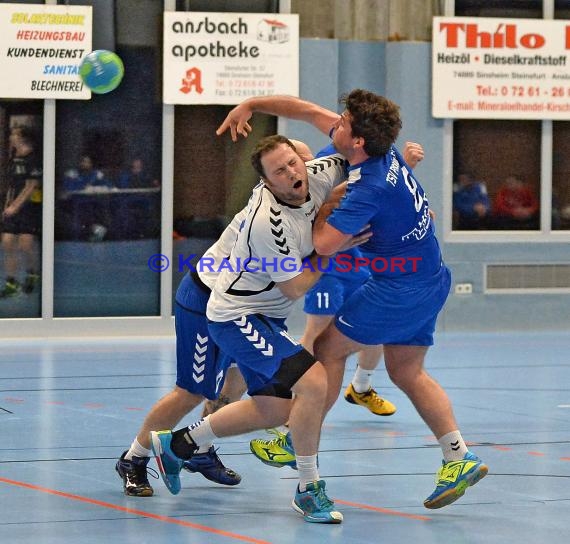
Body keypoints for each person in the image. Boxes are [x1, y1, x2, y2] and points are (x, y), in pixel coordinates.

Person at [216, 89, 488, 510]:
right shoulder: (381, 150)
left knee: (325, 347)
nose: (335, 124)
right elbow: (305, 110)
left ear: (357, 140)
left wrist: (325, 206)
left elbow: (324, 245)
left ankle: (293, 439)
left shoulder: (368, 186)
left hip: (397, 289)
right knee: (407, 371)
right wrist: (251, 104)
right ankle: (459, 456)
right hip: (431, 279)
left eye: (342, 123)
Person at [150, 135, 366, 524]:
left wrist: (407, 184)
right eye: (279, 171)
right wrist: (332, 247)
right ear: (268, 182)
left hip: (267, 315)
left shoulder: (317, 174)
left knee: (273, 409)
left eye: (293, 163)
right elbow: (296, 287)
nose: (291, 172)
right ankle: (308, 489)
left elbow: (362, 159)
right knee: (313, 383)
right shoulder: (268, 224)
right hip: (237, 315)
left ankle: (178, 444)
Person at [115, 212, 251, 496]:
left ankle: (200, 449)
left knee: (239, 378)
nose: (293, 171)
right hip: (206, 300)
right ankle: (132, 459)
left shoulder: (309, 200)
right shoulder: (272, 205)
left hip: (246, 304)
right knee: (191, 391)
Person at [1, 126, 42, 298]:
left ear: (23, 138)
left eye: (14, 134)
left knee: (25, 244)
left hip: (29, 207)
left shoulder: (33, 159)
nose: (11, 137)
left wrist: (15, 207)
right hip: (12, 207)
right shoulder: (13, 159)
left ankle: (32, 274)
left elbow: (31, 186)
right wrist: (6, 206)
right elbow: (12, 185)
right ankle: (11, 283)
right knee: (7, 242)